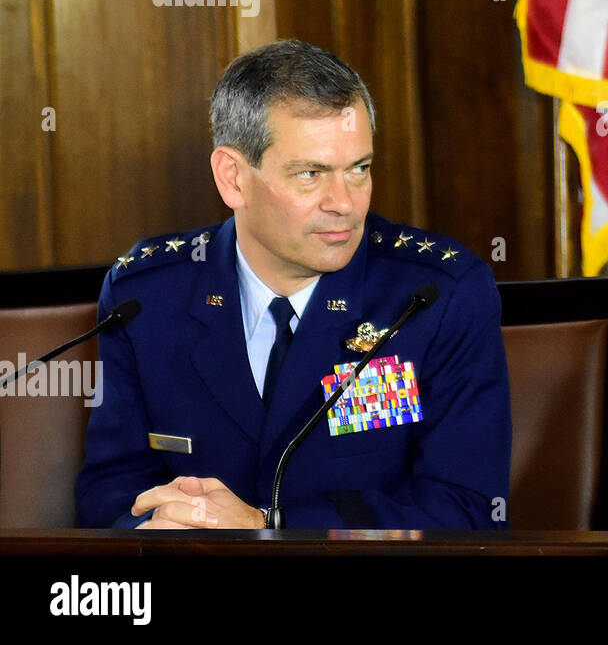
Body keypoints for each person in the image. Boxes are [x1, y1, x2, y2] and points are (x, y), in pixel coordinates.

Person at [77, 40, 511, 530]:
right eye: (311, 174)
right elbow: (109, 497)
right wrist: (168, 531)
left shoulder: (437, 296)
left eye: (359, 170)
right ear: (233, 179)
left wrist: (267, 526)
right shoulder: (146, 298)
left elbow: (468, 510)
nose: (344, 203)